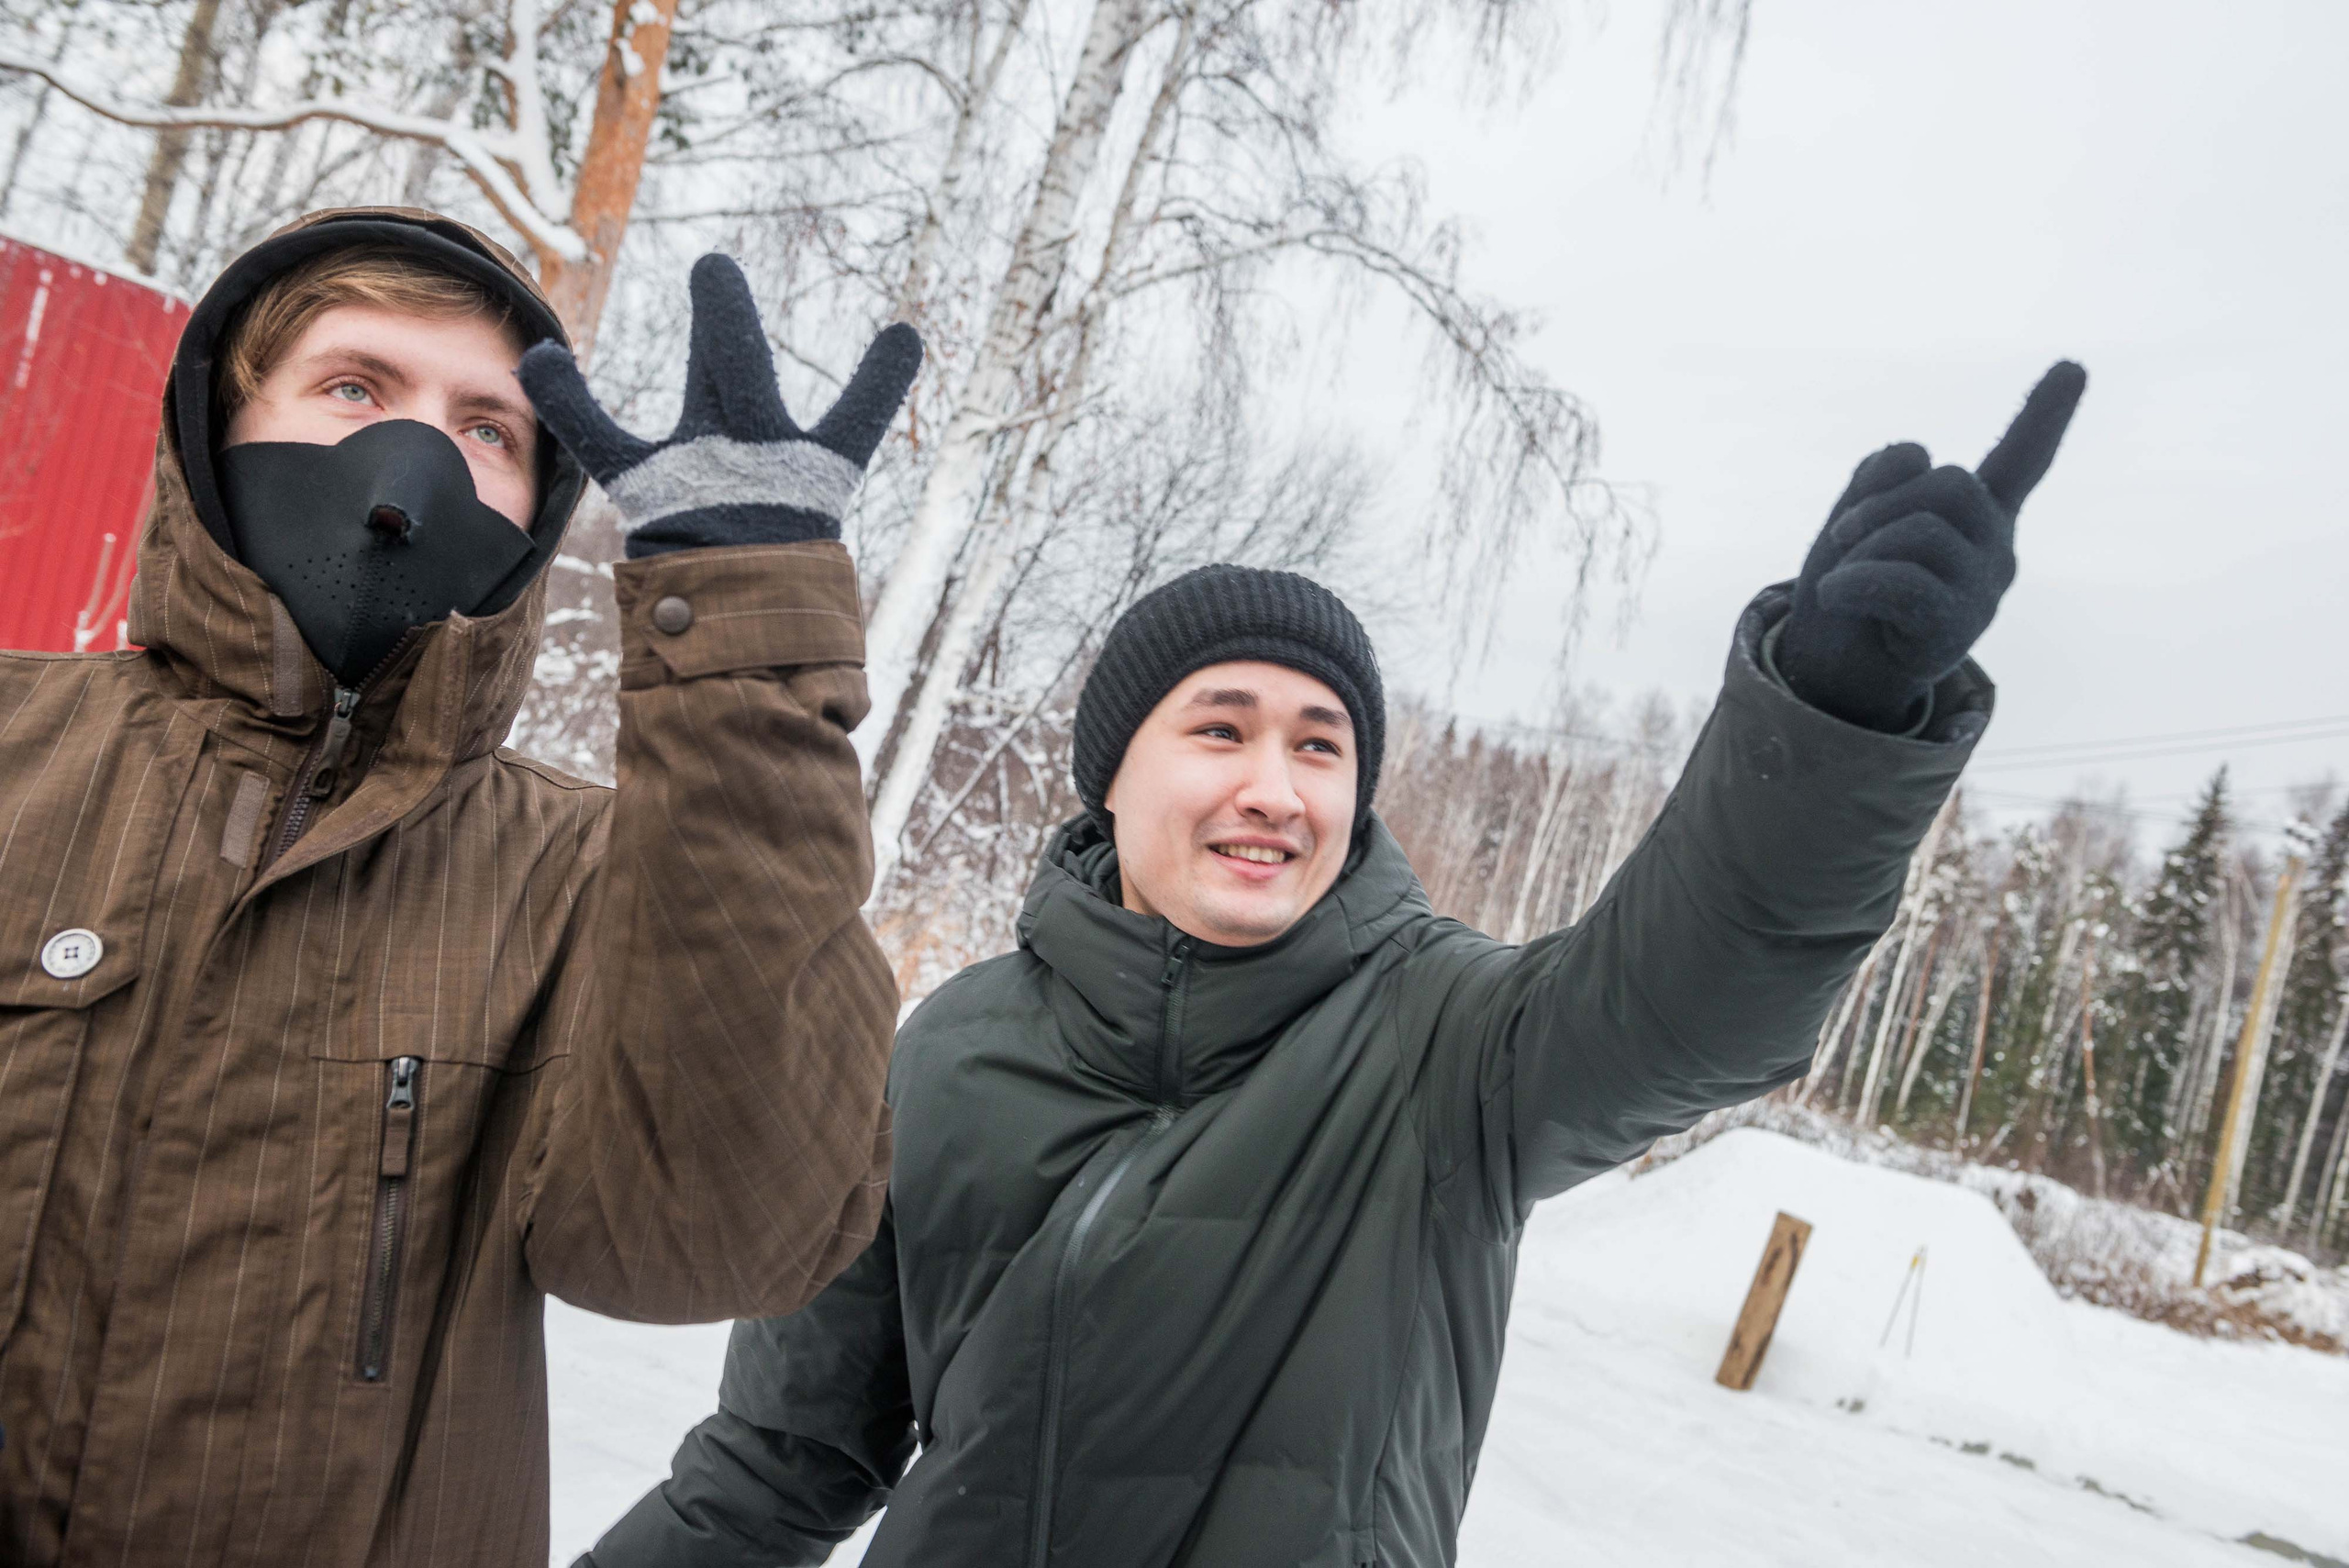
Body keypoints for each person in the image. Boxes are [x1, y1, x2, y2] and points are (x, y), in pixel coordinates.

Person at [584, 365, 2088, 1568]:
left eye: (1322, 746)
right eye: (1221, 729)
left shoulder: (1450, 1042)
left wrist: (1829, 721)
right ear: (1112, 774)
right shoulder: (943, 1049)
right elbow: (781, 1466)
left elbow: (1694, 1001)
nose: (1277, 785)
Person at [0, 206, 922, 1566]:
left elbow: (718, 1240)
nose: (413, 457)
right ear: (220, 426)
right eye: (355, 386)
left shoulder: (590, 879)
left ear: (538, 509)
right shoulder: (17, 752)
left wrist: (742, 656)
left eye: (489, 429)